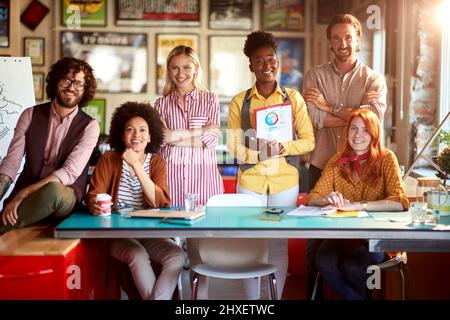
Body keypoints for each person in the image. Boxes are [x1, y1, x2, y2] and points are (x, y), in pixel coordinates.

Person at [302, 13, 388, 299]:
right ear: (329, 41)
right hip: (321, 164)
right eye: (337, 37)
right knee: (315, 242)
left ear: (358, 39)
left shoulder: (373, 79)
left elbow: (371, 117)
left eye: (348, 37)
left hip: (362, 167)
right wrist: (352, 114)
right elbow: (314, 118)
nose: (343, 43)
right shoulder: (315, 75)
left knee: (361, 240)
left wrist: (330, 106)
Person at [227, 31, 315, 299]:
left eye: (271, 59)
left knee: (277, 244)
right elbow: (233, 147)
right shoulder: (240, 102)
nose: (267, 65)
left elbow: (308, 141)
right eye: (259, 60)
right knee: (250, 244)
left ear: (278, 62)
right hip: (251, 181)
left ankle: (273, 300)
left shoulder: (293, 99)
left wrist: (282, 147)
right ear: (251, 65)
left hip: (284, 182)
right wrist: (258, 156)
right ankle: (253, 302)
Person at [86, 102, 185, 300]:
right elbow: (94, 194)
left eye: (142, 130)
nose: (136, 135)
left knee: (177, 256)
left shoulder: (156, 162)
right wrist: (95, 204)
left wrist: (135, 165)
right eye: (129, 130)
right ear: (122, 135)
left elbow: (159, 201)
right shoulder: (109, 159)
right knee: (137, 255)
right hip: (118, 235)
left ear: (150, 136)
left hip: (150, 233)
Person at [307, 109, 409, 300]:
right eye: (353, 128)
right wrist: (327, 199)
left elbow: (400, 201)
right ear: (347, 132)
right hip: (342, 237)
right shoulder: (337, 160)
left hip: (376, 237)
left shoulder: (387, 158)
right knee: (323, 261)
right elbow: (313, 197)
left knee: (354, 267)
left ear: (374, 134)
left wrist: (359, 206)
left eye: (365, 130)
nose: (358, 135)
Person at [0, 57, 99, 235]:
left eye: (78, 83)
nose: (71, 87)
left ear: (85, 90)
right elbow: (11, 164)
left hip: (63, 197)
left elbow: (69, 173)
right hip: (30, 196)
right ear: (55, 82)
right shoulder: (30, 115)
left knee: (53, 190)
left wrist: (23, 195)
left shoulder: (90, 126)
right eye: (66, 80)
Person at [154, 45, 224, 299]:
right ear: (168, 71)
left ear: (195, 68)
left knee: (199, 251)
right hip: (170, 183)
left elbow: (212, 140)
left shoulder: (210, 99)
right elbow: (162, 140)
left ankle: (199, 301)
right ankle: (174, 297)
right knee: (170, 251)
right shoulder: (160, 104)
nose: (180, 73)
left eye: (185, 67)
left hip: (202, 184)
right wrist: (197, 133)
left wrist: (176, 136)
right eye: (174, 67)